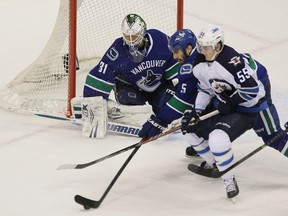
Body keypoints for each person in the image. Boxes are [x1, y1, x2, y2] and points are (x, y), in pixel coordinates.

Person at [179, 24, 269, 200]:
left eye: (206, 47)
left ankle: (229, 180)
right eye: (201, 46)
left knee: (217, 139)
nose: (202, 51)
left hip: (247, 108)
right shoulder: (199, 63)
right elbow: (205, 89)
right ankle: (216, 164)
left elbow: (253, 90)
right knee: (188, 129)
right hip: (223, 105)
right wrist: (197, 111)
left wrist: (232, 101)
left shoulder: (232, 61)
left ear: (218, 46)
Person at [77, 13, 181, 138]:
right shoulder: (117, 50)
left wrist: (179, 87)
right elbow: (100, 73)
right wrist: (91, 101)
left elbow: (175, 62)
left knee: (166, 106)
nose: (131, 40)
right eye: (127, 36)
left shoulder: (160, 40)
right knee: (130, 102)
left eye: (135, 36)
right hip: (130, 87)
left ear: (143, 32)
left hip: (158, 86)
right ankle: (116, 112)